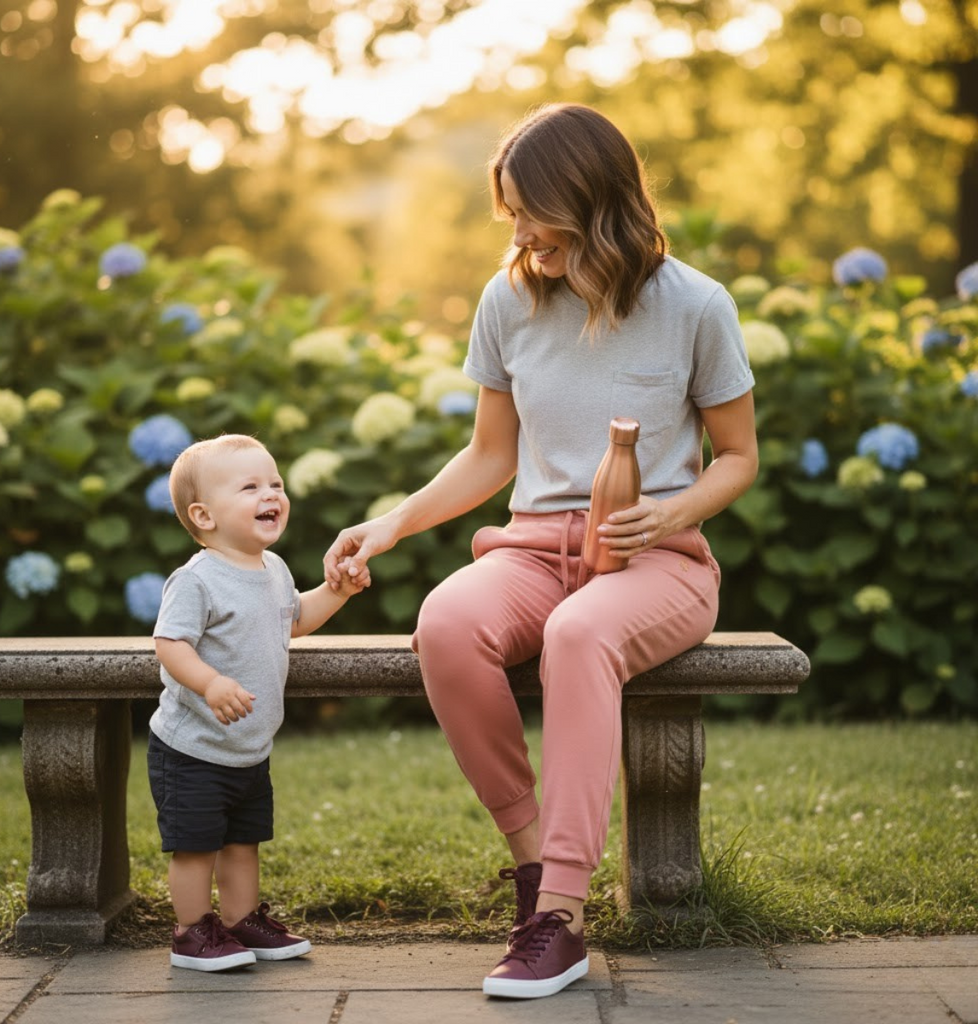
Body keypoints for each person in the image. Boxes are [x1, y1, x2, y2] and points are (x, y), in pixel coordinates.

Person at [324, 102, 758, 1000]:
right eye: (511, 213)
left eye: (532, 211)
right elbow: (491, 455)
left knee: (578, 636)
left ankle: (557, 920)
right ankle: (539, 878)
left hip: (656, 566)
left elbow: (740, 459)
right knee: (445, 620)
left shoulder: (696, 306)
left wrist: (673, 515)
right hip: (532, 549)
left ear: (594, 199)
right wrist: (393, 522)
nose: (519, 233)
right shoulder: (509, 298)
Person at [148, 434, 370, 972]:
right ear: (203, 515)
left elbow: (294, 620)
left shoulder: (274, 570)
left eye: (276, 483)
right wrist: (209, 683)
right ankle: (192, 932)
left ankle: (240, 921)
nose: (270, 493)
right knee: (196, 847)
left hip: (247, 747)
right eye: (250, 486)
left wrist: (336, 591)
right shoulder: (197, 579)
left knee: (243, 843)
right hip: (193, 747)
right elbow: (169, 643)